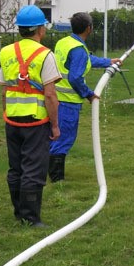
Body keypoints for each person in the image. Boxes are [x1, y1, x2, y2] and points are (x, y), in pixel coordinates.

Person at [0, 5, 60, 227]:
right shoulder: (45, 55)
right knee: (34, 168)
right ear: (40, 29)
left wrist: (6, 112)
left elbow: (4, 89)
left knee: (16, 167)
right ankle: (31, 219)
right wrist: (55, 125)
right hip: (35, 120)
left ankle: (18, 213)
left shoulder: (6, 52)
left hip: (12, 119)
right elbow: (50, 95)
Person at [48, 12, 121, 182]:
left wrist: (109, 62)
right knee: (64, 138)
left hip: (53, 99)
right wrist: (88, 93)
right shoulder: (78, 49)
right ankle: (56, 179)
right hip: (68, 103)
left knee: (53, 136)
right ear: (89, 28)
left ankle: (45, 171)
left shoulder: (64, 42)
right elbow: (75, 77)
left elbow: (86, 60)